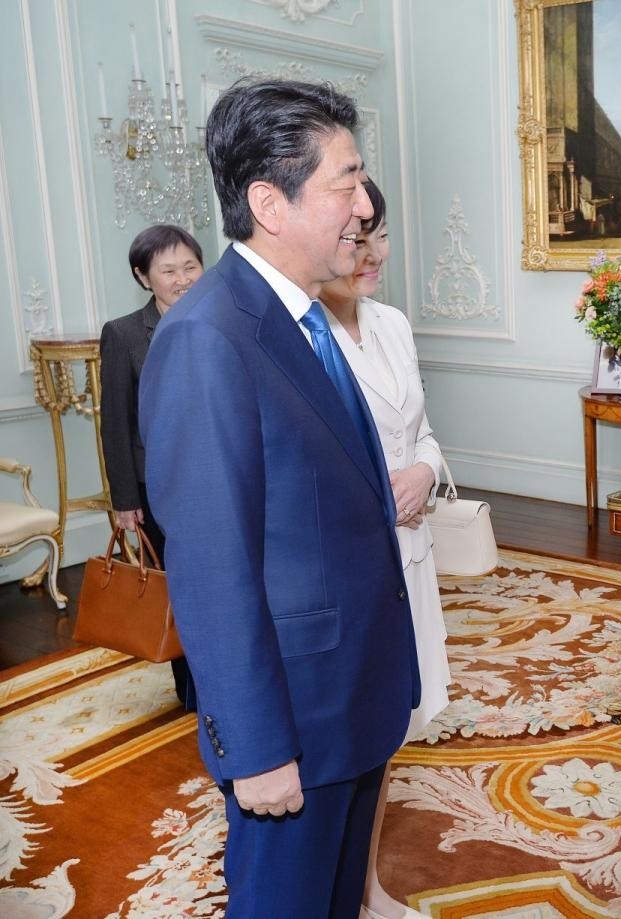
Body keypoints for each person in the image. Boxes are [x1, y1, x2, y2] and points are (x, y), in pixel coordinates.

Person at [139, 79, 421, 918]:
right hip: (291, 728)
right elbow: (212, 566)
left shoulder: (302, 318)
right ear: (270, 200)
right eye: (346, 180)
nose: (365, 204)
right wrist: (256, 748)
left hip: (351, 700)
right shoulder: (207, 339)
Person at [317, 178, 451, 918]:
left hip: (414, 557)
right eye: (357, 236)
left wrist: (425, 471)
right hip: (357, 570)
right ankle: (345, 893)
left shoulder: (394, 323)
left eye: (381, 235)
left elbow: (421, 430)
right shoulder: (308, 335)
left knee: (389, 738)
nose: (372, 252)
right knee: (354, 743)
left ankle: (367, 888)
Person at [100, 224, 203, 710]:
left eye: (190, 267)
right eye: (168, 271)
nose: (183, 279)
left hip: (215, 479)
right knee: (180, 590)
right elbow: (115, 423)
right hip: (156, 487)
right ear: (144, 277)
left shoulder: (217, 320)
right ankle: (193, 691)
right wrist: (124, 501)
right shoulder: (123, 334)